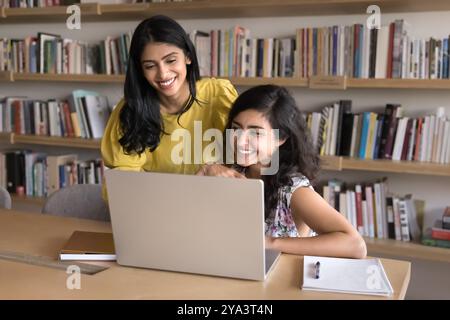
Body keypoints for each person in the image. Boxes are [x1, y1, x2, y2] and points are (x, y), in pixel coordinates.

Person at [101, 15, 242, 199]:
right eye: (150, 66)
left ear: (188, 57)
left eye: (171, 60)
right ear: (141, 71)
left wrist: (216, 169)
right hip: (155, 208)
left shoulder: (218, 95)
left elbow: (251, 156)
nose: (163, 73)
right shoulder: (130, 111)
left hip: (218, 203)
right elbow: (122, 181)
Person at [220, 85, 367, 258]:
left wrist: (269, 243)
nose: (240, 141)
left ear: (281, 139)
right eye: (236, 128)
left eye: (256, 133)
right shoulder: (232, 171)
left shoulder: (293, 190)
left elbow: (355, 245)